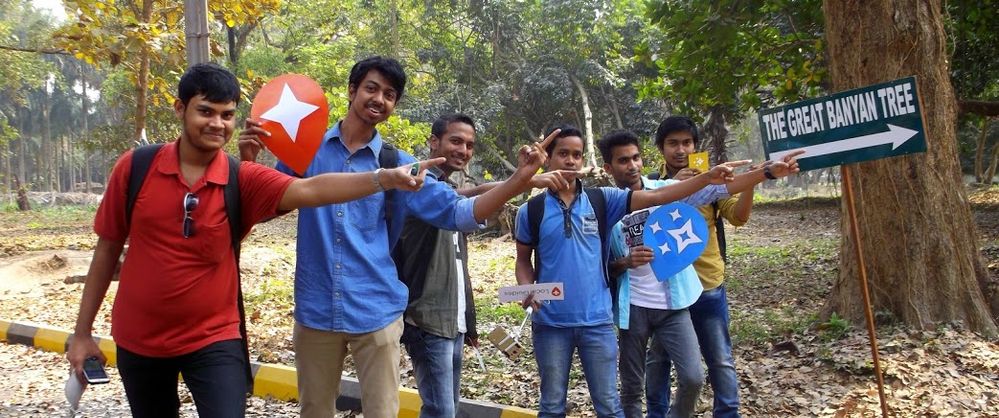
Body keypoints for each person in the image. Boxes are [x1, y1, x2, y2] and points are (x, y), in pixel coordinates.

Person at [66, 62, 437, 418]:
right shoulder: (135, 168)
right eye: (206, 112)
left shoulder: (240, 177)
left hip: (214, 339)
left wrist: (382, 178)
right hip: (139, 340)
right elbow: (107, 249)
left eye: (226, 115)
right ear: (181, 109)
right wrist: (82, 333)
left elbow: (311, 189)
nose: (217, 124)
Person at [238, 57, 555, 418]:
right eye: (371, 88)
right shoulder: (307, 151)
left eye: (389, 94)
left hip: (376, 310)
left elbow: (460, 213)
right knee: (314, 411)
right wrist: (248, 164)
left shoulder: (403, 166)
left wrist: (521, 179)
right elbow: (265, 207)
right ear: (352, 90)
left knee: (383, 413)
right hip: (316, 309)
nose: (379, 99)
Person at [514, 125, 797, 418]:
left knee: (613, 407)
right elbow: (523, 259)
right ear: (549, 159)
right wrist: (527, 288)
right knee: (553, 405)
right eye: (563, 154)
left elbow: (672, 195)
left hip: (601, 321)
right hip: (555, 323)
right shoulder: (531, 211)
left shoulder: (603, 200)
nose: (570, 161)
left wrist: (759, 173)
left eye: (577, 154)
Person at [394, 113, 572, 418]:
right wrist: (523, 179)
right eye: (455, 141)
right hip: (426, 318)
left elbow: (467, 198)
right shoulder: (417, 186)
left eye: (469, 144)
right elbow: (462, 204)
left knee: (445, 407)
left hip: (452, 319)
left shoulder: (445, 191)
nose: (463, 150)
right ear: (433, 142)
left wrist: (470, 320)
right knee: (440, 410)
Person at [645, 116, 797, 418]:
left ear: (695, 146)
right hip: (668, 288)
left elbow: (739, 217)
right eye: (673, 143)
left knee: (719, 358)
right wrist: (679, 185)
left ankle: (728, 413)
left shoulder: (715, 180)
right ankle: (656, 414)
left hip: (706, 284)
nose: (680, 149)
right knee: (658, 359)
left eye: (687, 143)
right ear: (661, 148)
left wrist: (753, 179)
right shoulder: (651, 183)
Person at [598, 130, 704, 418]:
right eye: (623, 161)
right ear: (608, 168)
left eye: (636, 158)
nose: (632, 165)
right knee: (632, 387)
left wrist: (764, 173)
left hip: (674, 303)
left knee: (693, 377)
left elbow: (713, 189)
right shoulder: (602, 207)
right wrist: (625, 261)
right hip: (632, 307)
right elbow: (598, 267)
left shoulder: (664, 189)